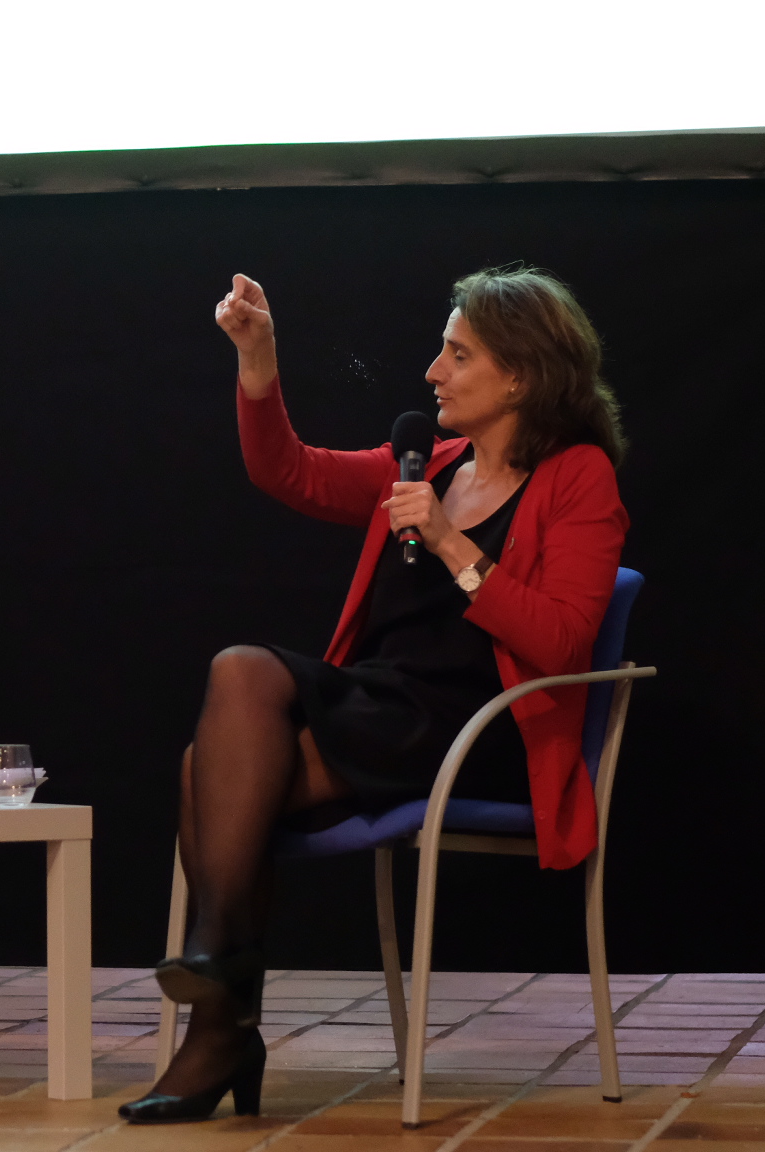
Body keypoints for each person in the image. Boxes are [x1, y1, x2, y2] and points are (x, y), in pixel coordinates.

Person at [120, 269, 628, 1124]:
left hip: (477, 726)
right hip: (380, 703)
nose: (433, 372)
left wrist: (450, 542)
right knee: (240, 672)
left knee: (207, 772)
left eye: (457, 354)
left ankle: (221, 1009)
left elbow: (564, 642)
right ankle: (219, 970)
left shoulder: (578, 477)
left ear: (519, 377)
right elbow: (289, 472)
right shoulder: (430, 465)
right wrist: (257, 359)